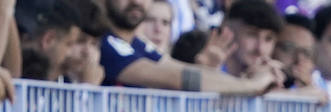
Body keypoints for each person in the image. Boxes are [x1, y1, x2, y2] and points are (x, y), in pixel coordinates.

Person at [98, 0, 277, 93]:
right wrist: (252, 85)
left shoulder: (139, 44)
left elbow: (180, 69)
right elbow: (175, 78)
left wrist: (246, 80)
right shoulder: (102, 41)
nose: (137, 1)